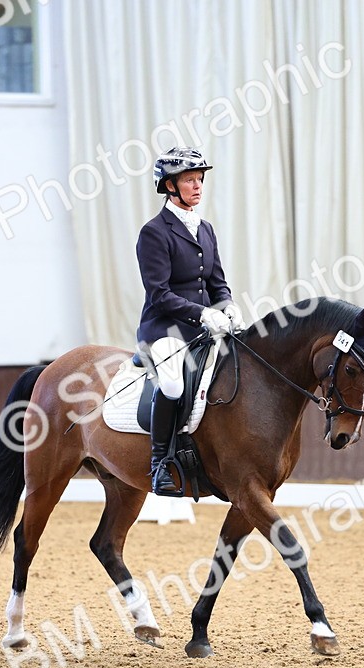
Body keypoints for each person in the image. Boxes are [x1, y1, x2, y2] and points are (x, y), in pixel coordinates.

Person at [136, 146, 244, 496]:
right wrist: (201, 312)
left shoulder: (206, 229)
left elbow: (217, 283)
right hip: (164, 329)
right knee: (172, 386)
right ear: (170, 186)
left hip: (204, 329)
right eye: (189, 180)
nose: (197, 186)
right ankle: (160, 464)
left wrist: (227, 305)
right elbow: (159, 294)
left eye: (199, 179)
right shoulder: (154, 232)